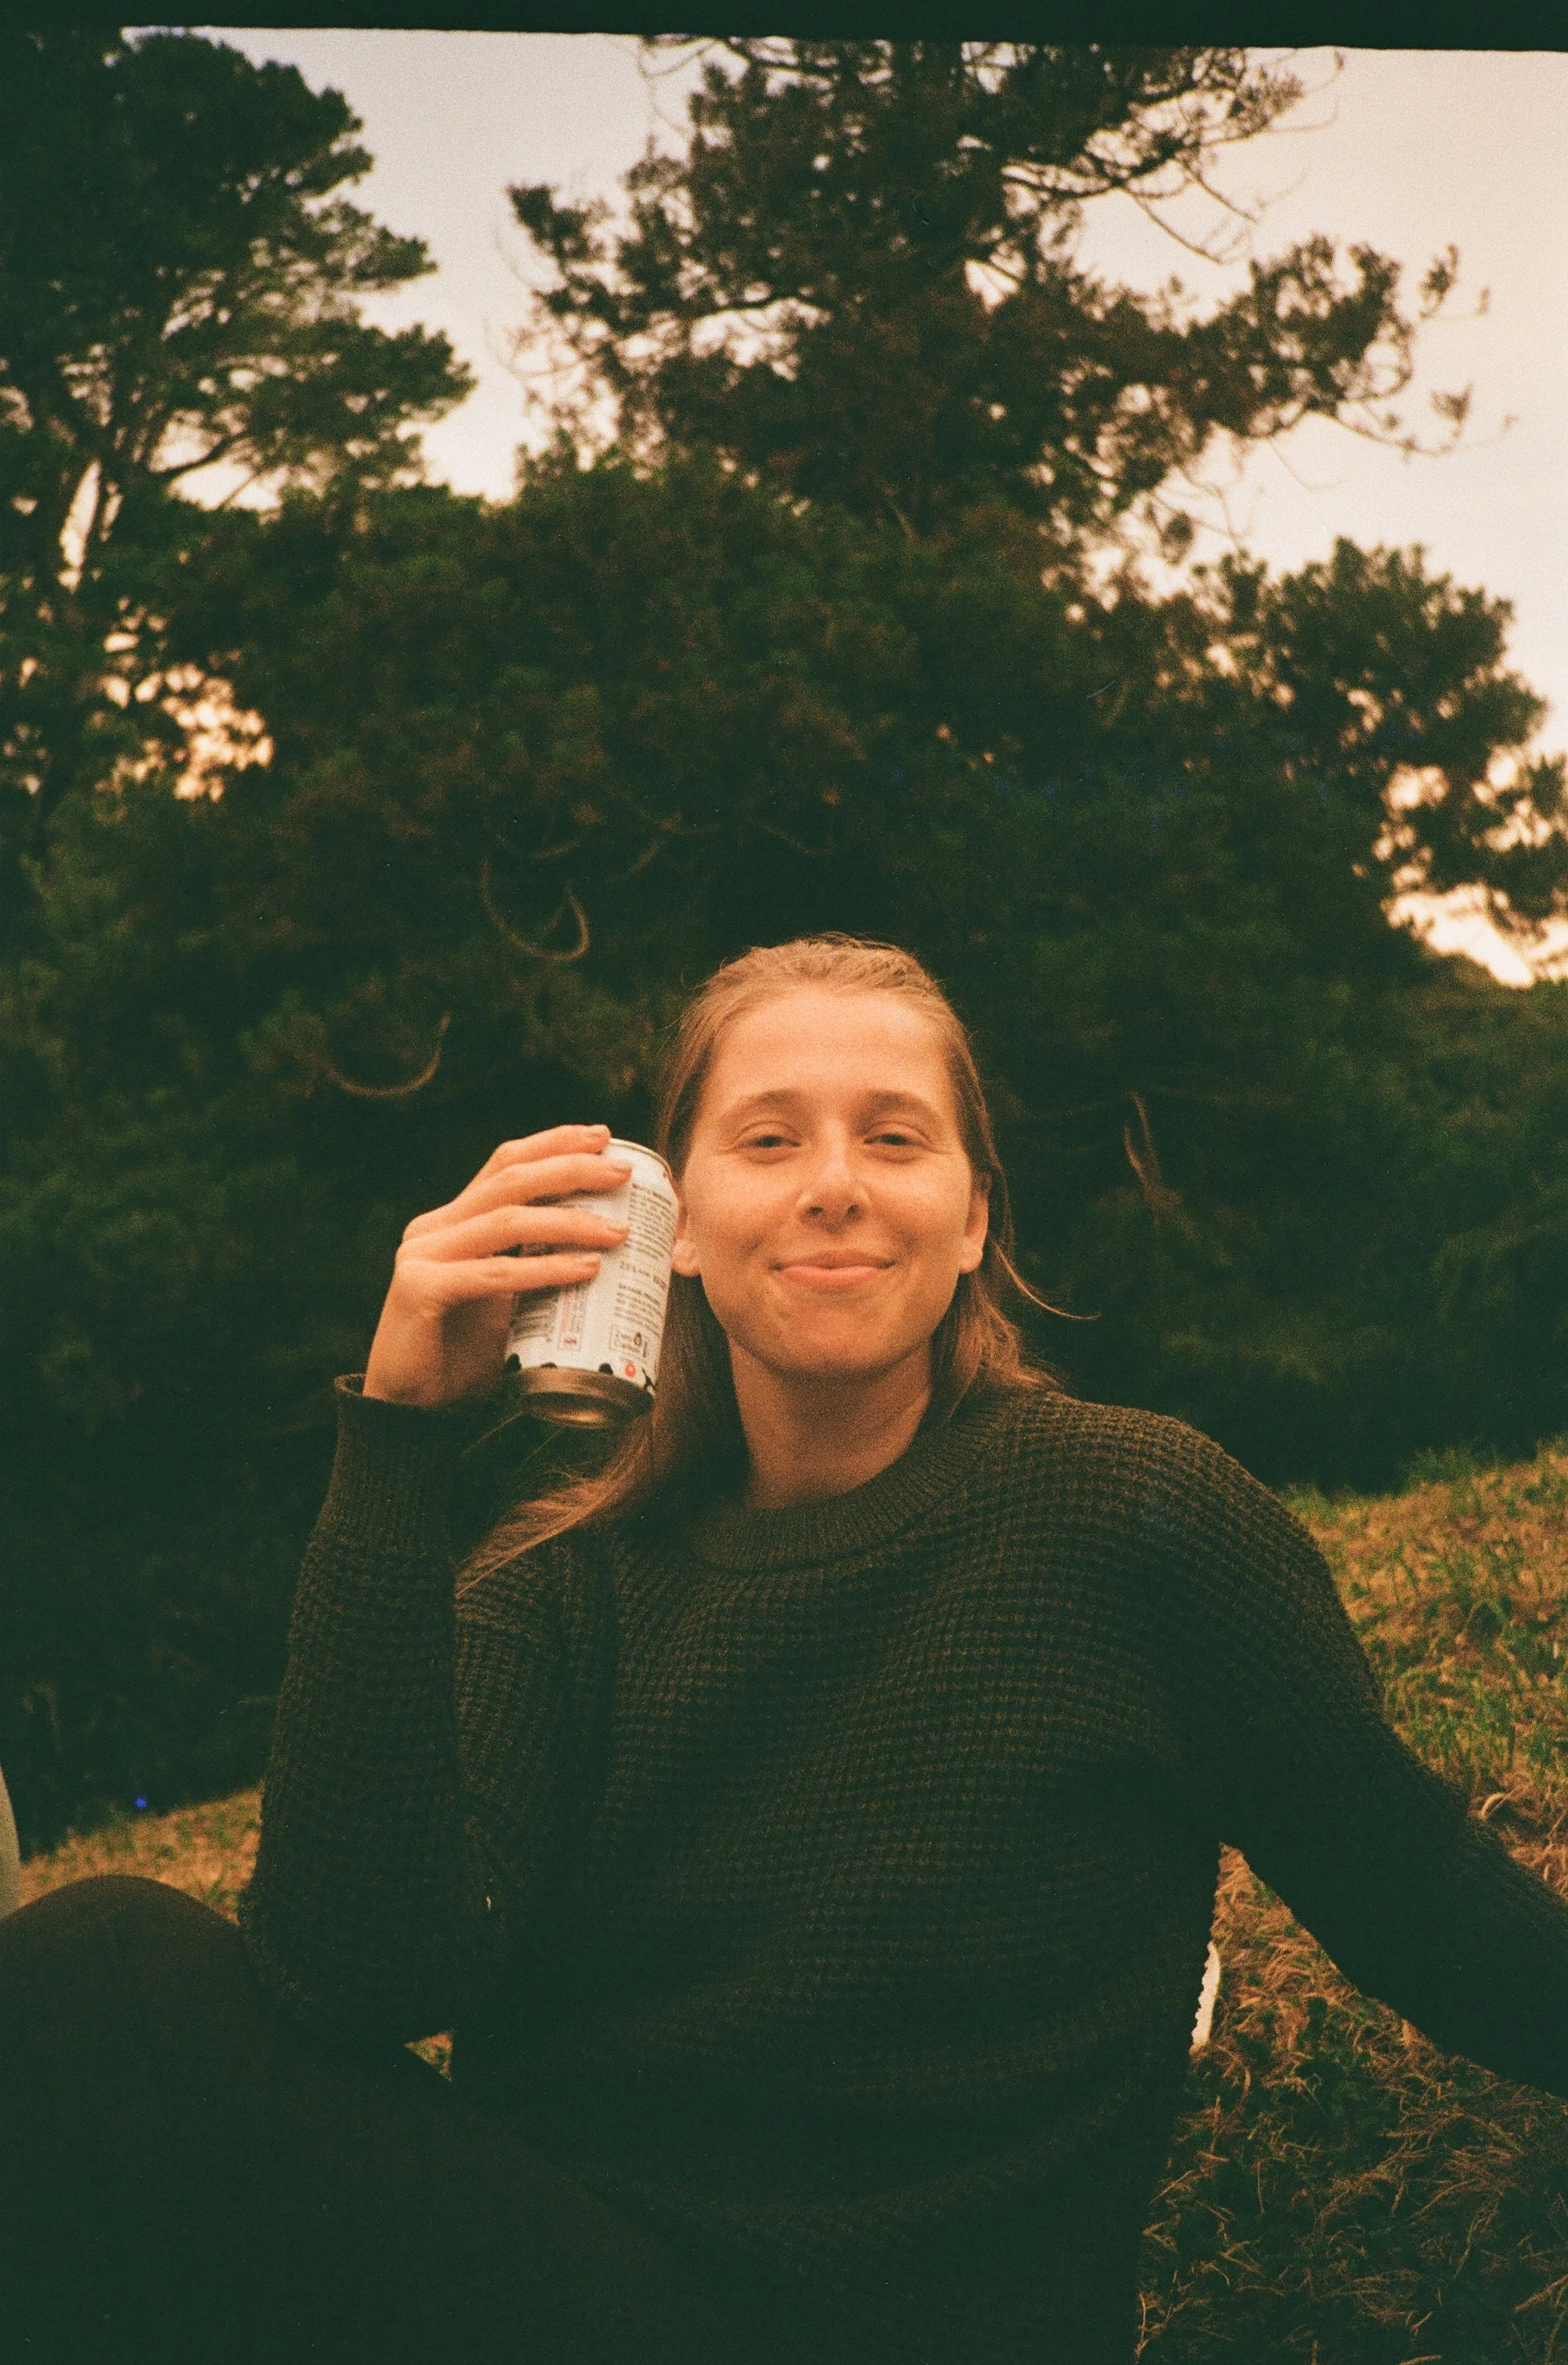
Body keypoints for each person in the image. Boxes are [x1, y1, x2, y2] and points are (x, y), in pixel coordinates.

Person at [6, 931, 1568, 2365]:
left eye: (893, 1136)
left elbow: (1413, 1889)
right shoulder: (564, 1591)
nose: (832, 1183)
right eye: (767, 1138)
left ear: (968, 1219)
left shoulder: (1130, 1514)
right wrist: (400, 1436)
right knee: (102, 1989)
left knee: (99, 1971)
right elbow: (351, 1977)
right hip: (570, 2292)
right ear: (669, 1229)